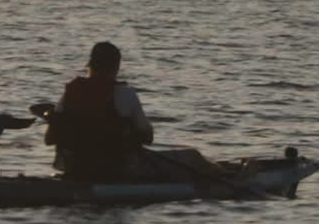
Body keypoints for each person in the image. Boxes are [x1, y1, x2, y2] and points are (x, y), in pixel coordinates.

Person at [48, 41, 231, 182]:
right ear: (116, 67)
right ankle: (228, 176)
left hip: (76, 168)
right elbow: (148, 136)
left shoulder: (69, 94)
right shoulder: (125, 95)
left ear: (90, 65)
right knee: (193, 156)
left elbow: (50, 138)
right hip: (118, 170)